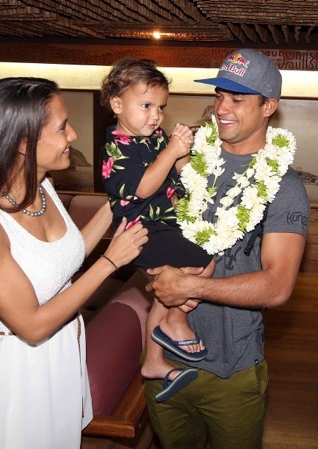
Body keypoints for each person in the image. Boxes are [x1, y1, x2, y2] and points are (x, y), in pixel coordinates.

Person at [0, 77, 149, 449]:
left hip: (61, 355)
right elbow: (31, 326)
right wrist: (111, 261)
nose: (73, 135)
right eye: (62, 127)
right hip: (22, 373)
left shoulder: (41, 186)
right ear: (23, 143)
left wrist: (124, 197)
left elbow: (69, 254)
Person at [144, 49, 310, 449]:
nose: (222, 108)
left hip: (232, 373)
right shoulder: (183, 161)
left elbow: (277, 286)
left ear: (269, 106)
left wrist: (191, 288)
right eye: (219, 96)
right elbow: (139, 218)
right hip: (164, 362)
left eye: (237, 99)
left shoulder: (286, 189)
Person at [99, 58, 216, 402]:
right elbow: (145, 187)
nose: (155, 115)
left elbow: (177, 171)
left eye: (161, 107)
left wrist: (187, 152)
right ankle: (177, 321)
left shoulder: (154, 138)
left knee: (163, 297)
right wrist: (170, 151)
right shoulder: (117, 146)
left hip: (166, 225)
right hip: (143, 232)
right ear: (117, 104)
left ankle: (153, 361)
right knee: (204, 260)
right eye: (146, 105)